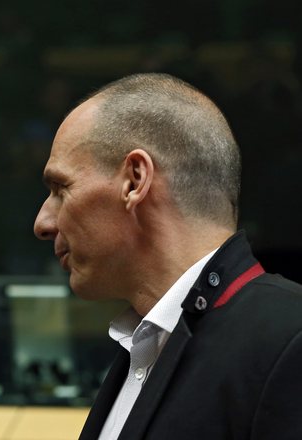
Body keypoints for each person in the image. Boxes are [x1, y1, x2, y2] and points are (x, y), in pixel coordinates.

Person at [34, 73, 302, 439]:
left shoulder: (289, 340)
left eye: (60, 188)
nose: (43, 223)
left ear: (135, 180)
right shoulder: (146, 345)